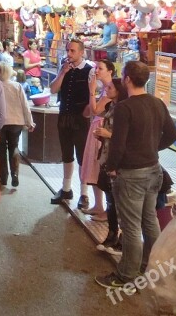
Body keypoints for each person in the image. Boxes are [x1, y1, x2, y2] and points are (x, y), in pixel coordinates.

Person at [95, 61, 176, 292]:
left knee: (131, 226)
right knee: (149, 220)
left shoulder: (125, 108)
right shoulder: (157, 103)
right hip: (154, 170)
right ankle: (151, 266)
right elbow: (173, 134)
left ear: (128, 79)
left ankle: (125, 275)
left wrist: (111, 167)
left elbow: (118, 144)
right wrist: (151, 148)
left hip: (131, 174)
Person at [49, 39, 94, 209]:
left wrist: (88, 111)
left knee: (82, 156)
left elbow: (93, 94)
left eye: (73, 51)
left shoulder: (89, 71)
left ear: (82, 52)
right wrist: (62, 73)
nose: (69, 53)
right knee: (66, 154)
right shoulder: (64, 67)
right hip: (64, 116)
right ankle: (66, 189)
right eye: (68, 50)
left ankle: (84, 193)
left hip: (80, 119)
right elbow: (53, 90)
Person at [93, 78, 127, 256]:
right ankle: (112, 234)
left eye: (110, 87)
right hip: (105, 156)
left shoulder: (124, 109)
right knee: (110, 200)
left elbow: (125, 137)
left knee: (118, 202)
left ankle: (121, 240)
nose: (107, 89)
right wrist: (102, 136)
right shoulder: (112, 107)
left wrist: (108, 134)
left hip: (116, 160)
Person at [80, 60, 117, 220]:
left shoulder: (110, 90)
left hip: (101, 131)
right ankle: (98, 205)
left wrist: (91, 91)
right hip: (96, 128)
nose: (96, 71)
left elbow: (95, 110)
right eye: (96, 68)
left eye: (100, 68)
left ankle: (105, 210)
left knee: (98, 166)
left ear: (110, 71)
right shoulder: (104, 89)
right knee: (94, 167)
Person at [0, 63, 34, 187]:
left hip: (0, 123)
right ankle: (15, 174)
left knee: (1, 150)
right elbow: (25, 105)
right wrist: (29, 121)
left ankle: (3, 177)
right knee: (14, 146)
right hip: (16, 122)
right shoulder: (17, 86)